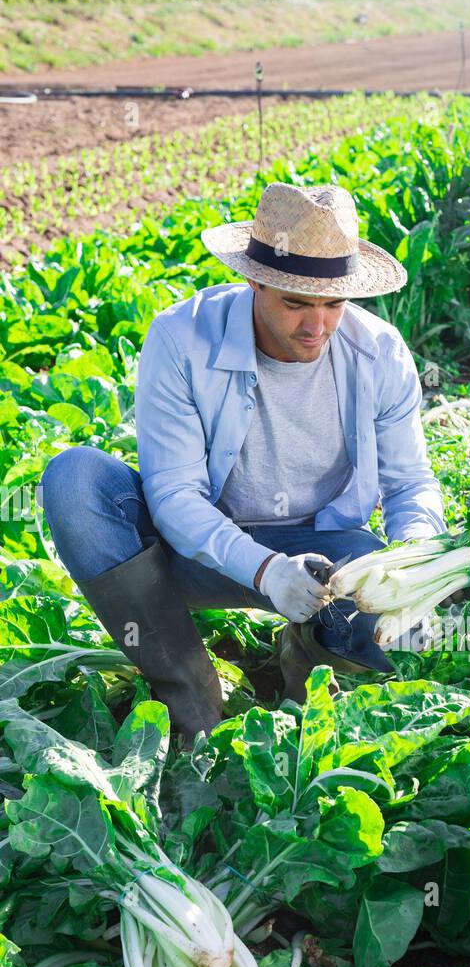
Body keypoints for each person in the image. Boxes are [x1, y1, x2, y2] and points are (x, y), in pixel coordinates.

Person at [40, 182, 446, 741]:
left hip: (326, 557)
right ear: (254, 280)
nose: (316, 327)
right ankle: (191, 697)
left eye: (334, 304)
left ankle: (308, 662)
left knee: (419, 636)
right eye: (296, 303)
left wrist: (412, 562)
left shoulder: (378, 352)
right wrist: (263, 569)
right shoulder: (182, 338)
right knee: (74, 481)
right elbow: (175, 496)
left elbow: (410, 485)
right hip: (193, 552)